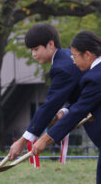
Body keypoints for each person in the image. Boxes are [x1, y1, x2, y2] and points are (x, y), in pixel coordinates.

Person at [32, 30, 101, 184]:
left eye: (75, 56)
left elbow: (79, 110)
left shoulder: (95, 77)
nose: (74, 61)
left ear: (88, 54)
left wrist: (45, 139)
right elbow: (84, 101)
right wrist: (66, 109)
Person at [8, 23, 83, 160]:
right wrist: (66, 110)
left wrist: (23, 140)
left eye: (36, 49)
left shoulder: (61, 68)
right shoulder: (67, 56)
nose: (33, 54)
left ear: (50, 44)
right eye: (31, 50)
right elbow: (83, 95)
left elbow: (49, 106)